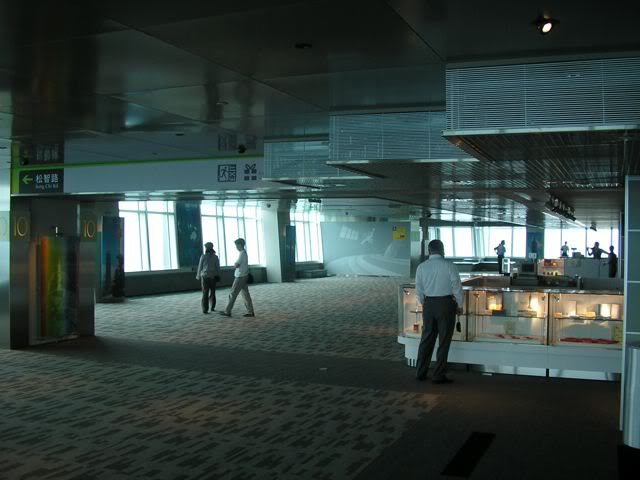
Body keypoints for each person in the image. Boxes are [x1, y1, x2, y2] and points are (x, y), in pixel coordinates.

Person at [414, 239, 463, 385]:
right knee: (444, 341)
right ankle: (438, 374)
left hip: (429, 304)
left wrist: (424, 303)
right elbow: (457, 287)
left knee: (426, 339)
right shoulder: (450, 266)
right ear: (442, 250)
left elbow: (418, 290)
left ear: (429, 251)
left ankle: (420, 372)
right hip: (446, 305)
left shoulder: (421, 267)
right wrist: (460, 305)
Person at [220, 238, 255, 317]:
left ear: (240, 245)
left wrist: (235, 264)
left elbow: (237, 264)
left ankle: (227, 311)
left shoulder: (242, 253)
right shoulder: (244, 253)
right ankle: (250, 311)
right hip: (244, 275)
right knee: (245, 294)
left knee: (233, 293)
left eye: (237, 245)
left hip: (240, 276)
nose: (236, 247)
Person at [196, 242, 220, 314]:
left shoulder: (203, 256)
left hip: (205, 276)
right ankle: (212, 306)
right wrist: (218, 275)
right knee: (212, 292)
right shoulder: (215, 257)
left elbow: (200, 267)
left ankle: (205, 309)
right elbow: (218, 268)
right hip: (213, 277)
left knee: (205, 293)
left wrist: (198, 276)